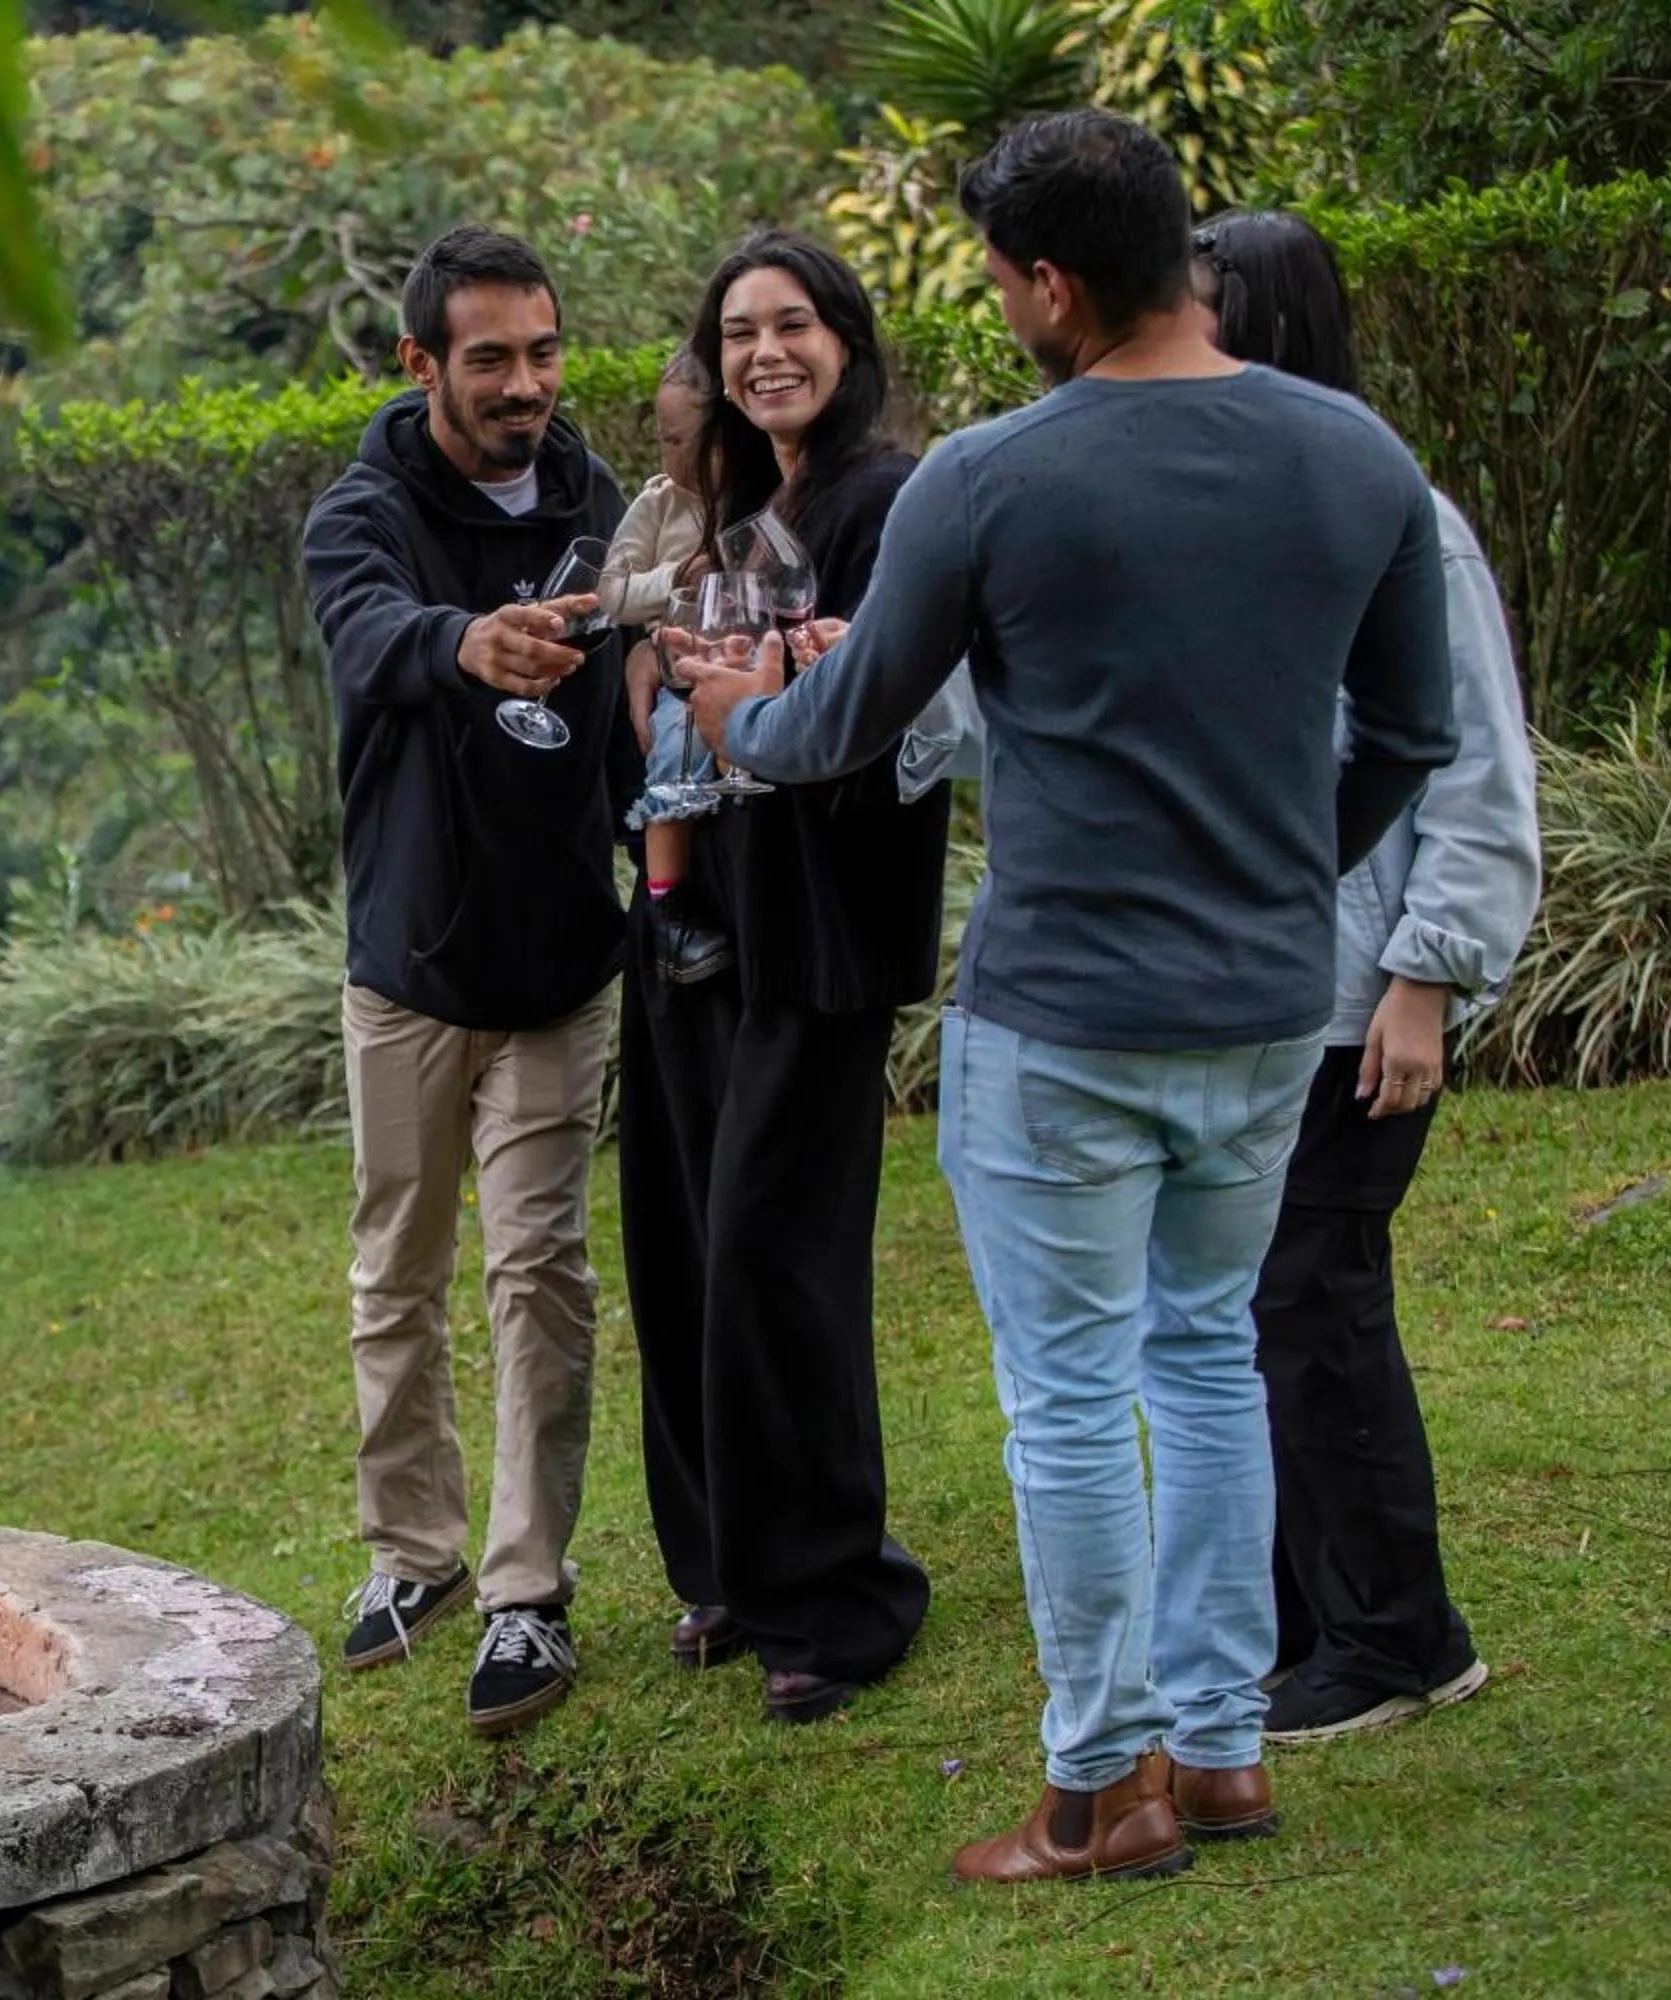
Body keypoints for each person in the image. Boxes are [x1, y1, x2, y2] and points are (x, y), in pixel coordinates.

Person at [683, 111, 1458, 1883]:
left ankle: (1100, 1791)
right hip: (1270, 1004)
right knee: (1204, 1360)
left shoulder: (991, 475)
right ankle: (1227, 1752)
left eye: (1003, 285)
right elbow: (1413, 733)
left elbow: (843, 722)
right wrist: (1287, 873)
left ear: (1046, 282)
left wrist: (733, 720)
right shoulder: (1358, 461)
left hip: (1063, 1019)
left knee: (1070, 1394)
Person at [1190, 207, 1542, 1744]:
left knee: (1315, 1299)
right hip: (1251, 987)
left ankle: (1401, 1636)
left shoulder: (1400, 516)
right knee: (1259, 1307)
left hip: (1359, 995)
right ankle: (1306, 1621)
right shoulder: (1228, 510)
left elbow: (1475, 770)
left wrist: (1428, 976)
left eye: (1202, 314)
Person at [298, 224, 632, 1738]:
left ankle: (524, 1594)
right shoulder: (361, 515)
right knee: (397, 1274)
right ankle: (411, 1552)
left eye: (543, 353)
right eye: (490, 357)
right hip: (411, 977)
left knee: (541, 1274)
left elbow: (634, 698)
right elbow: (374, 637)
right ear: (421, 363)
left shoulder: (596, 500)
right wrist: (465, 641)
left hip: (562, 967)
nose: (525, 386)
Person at [616, 229, 950, 1727]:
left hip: (822, 917)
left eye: (794, 326)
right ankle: (736, 1573)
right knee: (686, 1241)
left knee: (776, 1253)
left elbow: (905, 707)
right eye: (741, 331)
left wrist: (772, 687)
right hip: (703, 918)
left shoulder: (892, 500)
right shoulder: (742, 503)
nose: (767, 354)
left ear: (847, 339)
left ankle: (844, 1594)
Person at [608, 349, 729, 985]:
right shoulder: (660, 504)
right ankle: (667, 912)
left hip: (740, 682)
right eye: (665, 439)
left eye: (683, 439)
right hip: (681, 682)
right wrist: (673, 579)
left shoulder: (750, 501)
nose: (671, 455)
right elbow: (610, 592)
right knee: (674, 766)